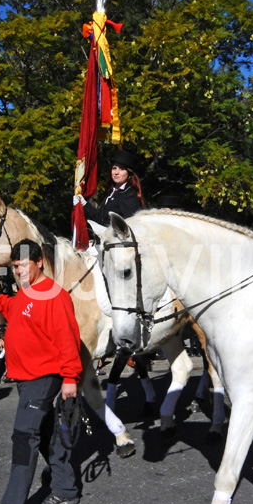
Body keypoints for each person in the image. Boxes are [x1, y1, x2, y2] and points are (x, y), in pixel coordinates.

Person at [0, 239, 82, 504]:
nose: (19, 270)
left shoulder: (55, 295)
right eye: (15, 266)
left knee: (24, 436)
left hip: (44, 377)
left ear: (39, 262)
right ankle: (65, 489)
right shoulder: (26, 293)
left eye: (24, 264)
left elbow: (68, 338)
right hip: (24, 378)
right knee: (47, 433)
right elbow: (17, 310)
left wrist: (70, 377)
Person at [78, 148, 156, 417]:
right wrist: (85, 203)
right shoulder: (112, 193)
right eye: (113, 168)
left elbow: (129, 228)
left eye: (120, 169)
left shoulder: (130, 196)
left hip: (122, 253)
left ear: (129, 173)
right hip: (105, 247)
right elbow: (101, 221)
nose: (115, 171)